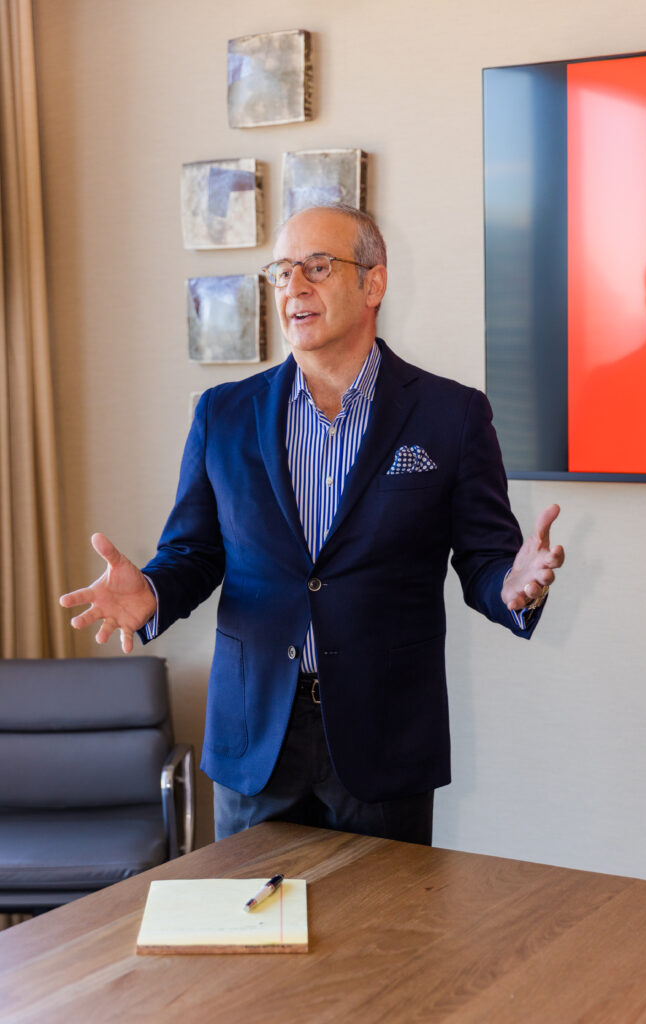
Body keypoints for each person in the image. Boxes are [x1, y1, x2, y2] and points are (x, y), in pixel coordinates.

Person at [60, 204, 564, 846]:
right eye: (281, 272)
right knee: (249, 929)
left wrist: (514, 584)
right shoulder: (224, 414)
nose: (294, 287)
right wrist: (153, 591)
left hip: (382, 734)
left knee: (388, 939)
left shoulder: (451, 415)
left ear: (373, 284)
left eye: (318, 267)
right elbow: (195, 550)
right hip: (255, 733)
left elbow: (486, 560)